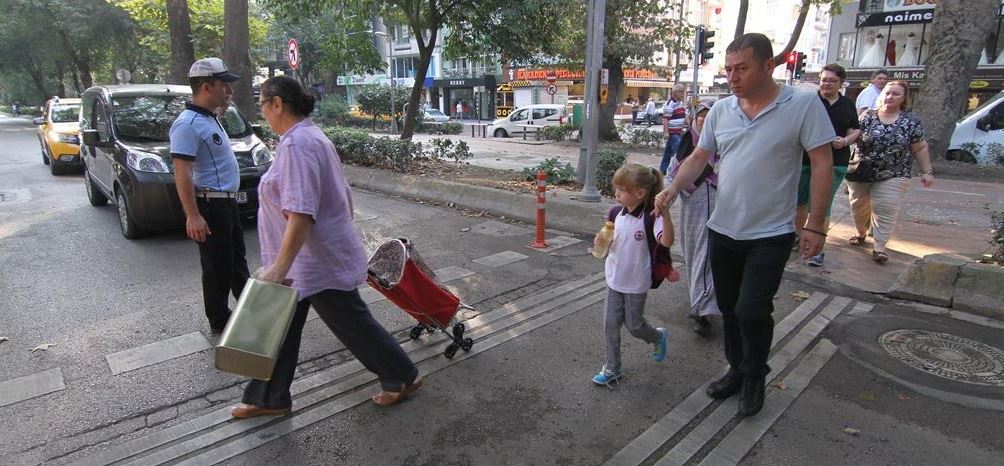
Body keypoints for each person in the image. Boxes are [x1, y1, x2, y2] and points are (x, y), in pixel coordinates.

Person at [654, 33, 835, 417]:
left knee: (753, 309)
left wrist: (816, 225)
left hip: (771, 232)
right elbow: (700, 156)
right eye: (728, 69)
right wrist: (672, 188)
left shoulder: (802, 105)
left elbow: (821, 163)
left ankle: (755, 376)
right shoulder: (722, 110)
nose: (732, 77)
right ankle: (737, 368)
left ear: (769, 66)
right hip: (723, 228)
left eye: (742, 69)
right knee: (729, 307)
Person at [230, 75, 422, 419]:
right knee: (283, 327)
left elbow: (301, 214)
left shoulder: (297, 145)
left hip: (314, 263)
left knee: (353, 324)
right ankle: (269, 396)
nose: (262, 111)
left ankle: (401, 376)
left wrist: (278, 269)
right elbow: (342, 198)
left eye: (262, 103)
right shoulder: (308, 137)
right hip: (310, 261)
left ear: (277, 103)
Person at [170, 57, 250, 334]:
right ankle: (219, 321)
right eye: (224, 86)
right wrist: (193, 215)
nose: (229, 92)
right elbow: (182, 172)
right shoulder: (187, 124)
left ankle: (251, 313)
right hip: (211, 205)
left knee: (236, 262)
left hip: (227, 203)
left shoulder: (209, 119)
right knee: (218, 268)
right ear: (206, 87)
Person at [591, 163, 673, 387]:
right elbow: (609, 240)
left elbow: (666, 241)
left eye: (622, 190)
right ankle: (612, 368)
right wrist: (599, 241)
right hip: (614, 279)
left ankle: (657, 337)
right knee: (610, 325)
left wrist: (665, 215)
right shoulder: (615, 213)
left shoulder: (650, 218)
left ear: (640, 193)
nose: (616, 194)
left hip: (636, 282)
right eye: (616, 188)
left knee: (635, 326)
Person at [846, 81, 934, 264]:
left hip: (895, 172)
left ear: (903, 99)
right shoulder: (867, 117)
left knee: (885, 207)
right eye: (887, 93)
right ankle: (860, 232)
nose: (890, 97)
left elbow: (919, 148)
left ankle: (879, 247)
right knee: (858, 205)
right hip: (862, 170)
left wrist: (927, 171)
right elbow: (854, 135)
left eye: (895, 94)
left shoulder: (910, 121)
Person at [795, 63, 862, 267]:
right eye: (824, 80)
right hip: (805, 160)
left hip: (835, 162)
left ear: (841, 83)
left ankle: (817, 248)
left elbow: (855, 130)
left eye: (832, 81)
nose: (826, 84)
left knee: (821, 205)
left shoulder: (847, 105)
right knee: (799, 203)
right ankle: (797, 238)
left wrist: (846, 141)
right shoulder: (810, 101)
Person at [665, 100, 720, 337]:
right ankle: (700, 302)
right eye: (701, 117)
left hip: (715, 207)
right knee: (692, 254)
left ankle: (702, 309)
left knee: (705, 256)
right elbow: (672, 174)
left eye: (711, 117)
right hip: (690, 209)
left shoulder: (724, 145)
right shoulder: (687, 143)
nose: (705, 121)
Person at [660, 84, 688, 174]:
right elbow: (665, 119)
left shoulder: (680, 103)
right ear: (676, 93)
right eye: (682, 92)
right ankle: (679, 171)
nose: (683, 94)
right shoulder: (670, 104)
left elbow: (685, 116)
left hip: (679, 131)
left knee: (668, 152)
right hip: (672, 132)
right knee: (680, 151)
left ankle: (663, 170)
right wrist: (666, 132)